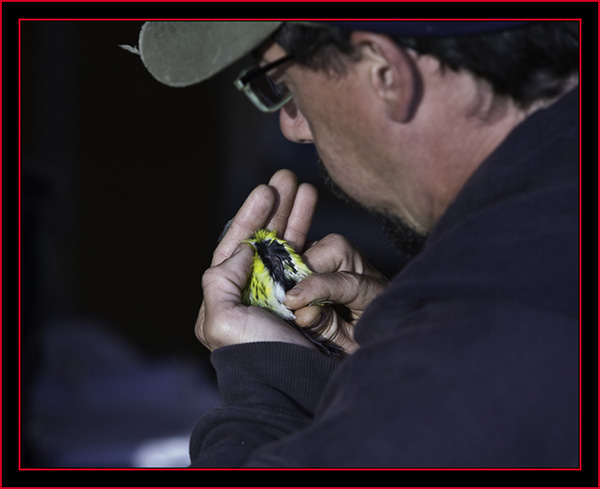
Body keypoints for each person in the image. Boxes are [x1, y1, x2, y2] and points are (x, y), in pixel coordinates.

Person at [135, 21, 580, 467]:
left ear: (384, 71)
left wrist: (270, 392)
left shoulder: (487, 338)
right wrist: (388, 367)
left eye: (282, 82)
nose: (292, 127)